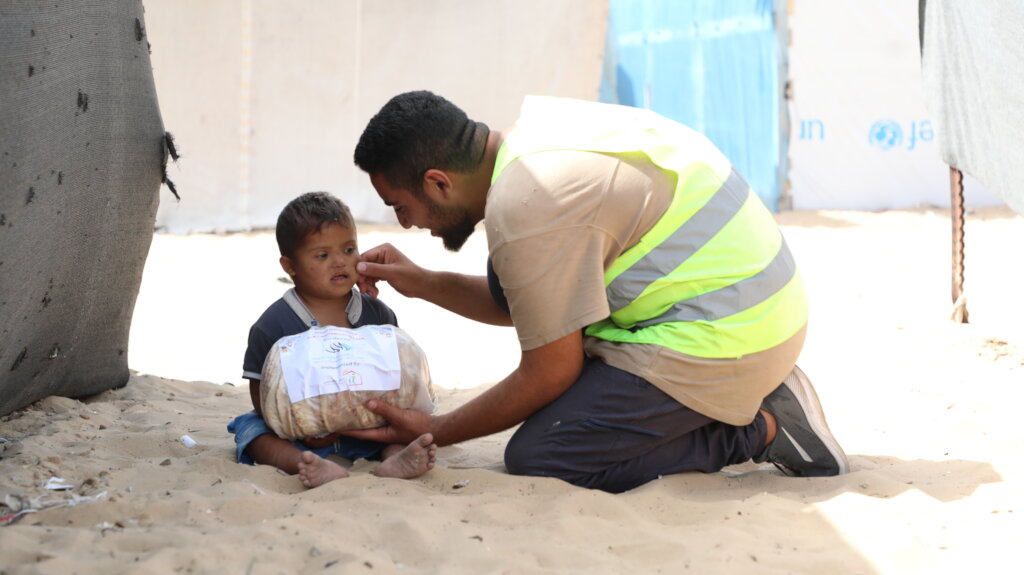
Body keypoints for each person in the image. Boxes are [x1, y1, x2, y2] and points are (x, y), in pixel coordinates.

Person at [346, 91, 848, 493]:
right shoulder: (535, 139)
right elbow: (528, 302)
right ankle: (737, 389)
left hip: (732, 329)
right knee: (509, 272)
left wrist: (432, 428)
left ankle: (763, 427)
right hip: (754, 299)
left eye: (399, 206)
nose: (404, 223)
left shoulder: (526, 205)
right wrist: (422, 282)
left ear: (437, 182)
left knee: (543, 454)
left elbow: (549, 371)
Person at [226, 191, 437, 488]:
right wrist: (294, 426)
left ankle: (394, 460)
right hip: (303, 435)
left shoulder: (376, 314)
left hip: (368, 428)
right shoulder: (274, 325)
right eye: (323, 255)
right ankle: (306, 464)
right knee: (252, 430)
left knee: (405, 426)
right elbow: (262, 393)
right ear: (290, 266)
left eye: (349, 249)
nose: (340, 262)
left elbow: (395, 378)